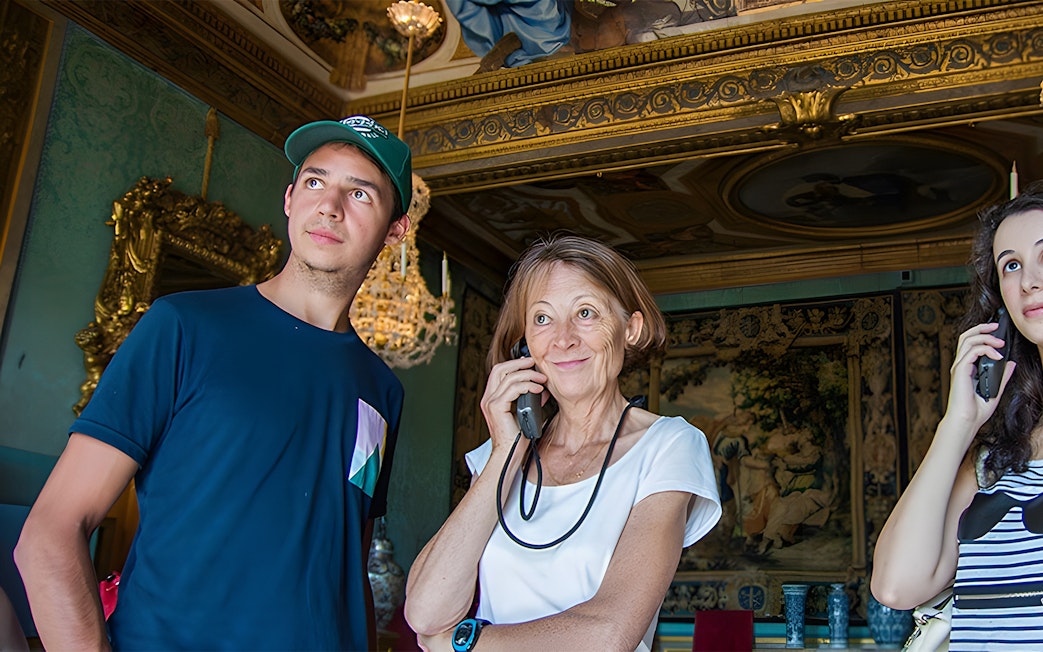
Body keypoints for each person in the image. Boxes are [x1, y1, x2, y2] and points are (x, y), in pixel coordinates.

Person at [14, 115, 412, 651]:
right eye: (316, 181)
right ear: (290, 198)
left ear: (395, 230)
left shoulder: (382, 391)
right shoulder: (183, 326)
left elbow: (347, 564)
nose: (329, 206)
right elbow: (49, 534)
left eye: (359, 193)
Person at [404, 234, 721, 652]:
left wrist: (462, 645)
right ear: (524, 347)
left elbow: (609, 634)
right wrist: (506, 452)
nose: (563, 339)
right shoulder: (501, 456)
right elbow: (425, 613)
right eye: (542, 318)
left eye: (585, 313)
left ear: (631, 328)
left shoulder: (669, 446)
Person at [872, 184, 1043, 650]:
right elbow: (896, 587)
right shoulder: (994, 458)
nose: (1029, 281)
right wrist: (959, 424)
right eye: (1011, 265)